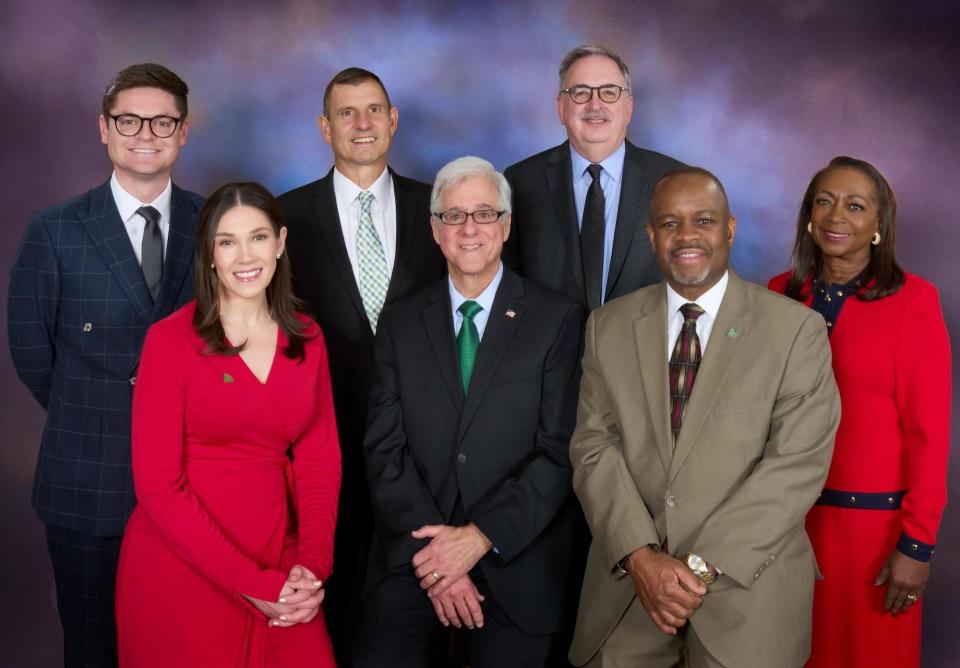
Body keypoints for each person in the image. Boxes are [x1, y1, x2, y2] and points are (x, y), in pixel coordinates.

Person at [569, 167, 841, 667]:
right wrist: (642, 558)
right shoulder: (605, 327)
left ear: (730, 229)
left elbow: (796, 465)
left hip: (748, 593)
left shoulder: (795, 330)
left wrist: (697, 569)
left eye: (704, 220)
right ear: (650, 235)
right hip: (633, 591)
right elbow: (592, 448)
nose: (687, 236)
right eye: (670, 224)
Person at [7, 63, 202, 667]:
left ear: (183, 131)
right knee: (93, 647)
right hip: (84, 479)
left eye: (162, 120)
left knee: (182, 644)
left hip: (193, 480)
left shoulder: (216, 224)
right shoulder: (56, 230)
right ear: (103, 129)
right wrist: (94, 410)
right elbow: (32, 353)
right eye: (128, 120)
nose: (145, 133)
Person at [355, 157, 584, 668]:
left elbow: (559, 451)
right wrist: (440, 561)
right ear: (435, 230)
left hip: (514, 555)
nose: (470, 228)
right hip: (417, 555)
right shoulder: (400, 322)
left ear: (505, 225)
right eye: (454, 216)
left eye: (484, 213)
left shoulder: (557, 319)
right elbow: (384, 449)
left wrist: (479, 538)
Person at [114, 182, 340, 667]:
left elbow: (321, 461)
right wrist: (253, 584)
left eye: (257, 237)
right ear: (209, 253)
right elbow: (157, 489)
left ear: (279, 243)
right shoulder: (169, 342)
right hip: (183, 567)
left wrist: (311, 568)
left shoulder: (309, 338)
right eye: (227, 241)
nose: (245, 256)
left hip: (281, 563)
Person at [277, 67, 445, 662]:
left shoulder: (443, 212)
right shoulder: (285, 219)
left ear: (393, 119)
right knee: (338, 606)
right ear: (325, 127)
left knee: (422, 615)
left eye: (374, 109)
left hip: (428, 457)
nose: (363, 123)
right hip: (327, 449)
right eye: (347, 113)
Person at [767, 156, 951, 668]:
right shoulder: (778, 294)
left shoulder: (914, 301)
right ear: (808, 215)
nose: (836, 216)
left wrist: (917, 546)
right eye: (824, 201)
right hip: (785, 527)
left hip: (874, 538)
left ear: (878, 224)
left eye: (855, 205)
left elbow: (929, 437)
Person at [503, 44, 684, 311]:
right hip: (550, 351)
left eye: (609, 92)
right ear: (561, 108)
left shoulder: (675, 182)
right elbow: (508, 288)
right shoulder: (520, 182)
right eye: (580, 93)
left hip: (643, 351)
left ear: (629, 108)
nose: (595, 104)